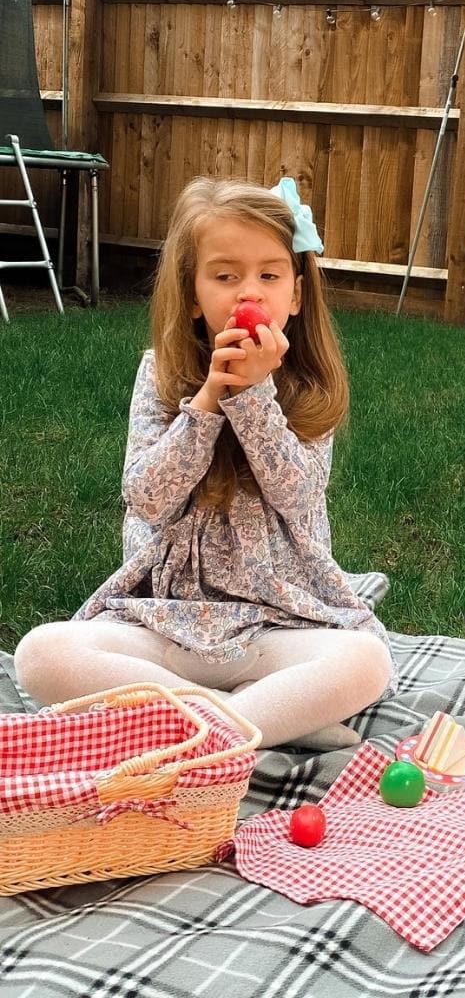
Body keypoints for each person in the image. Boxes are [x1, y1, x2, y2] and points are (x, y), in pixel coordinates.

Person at [14, 176, 396, 750]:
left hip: (273, 623)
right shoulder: (159, 375)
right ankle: (246, 720)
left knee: (366, 662)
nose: (250, 293)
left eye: (269, 274)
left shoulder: (310, 388)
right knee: (41, 655)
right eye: (225, 276)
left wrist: (254, 396)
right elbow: (146, 496)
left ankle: (189, 723)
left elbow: (297, 495)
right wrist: (209, 402)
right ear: (193, 295)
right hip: (163, 622)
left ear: (296, 293)